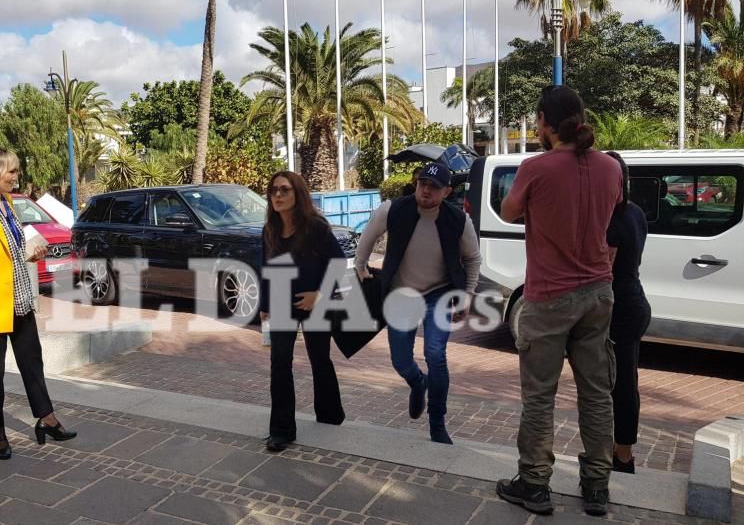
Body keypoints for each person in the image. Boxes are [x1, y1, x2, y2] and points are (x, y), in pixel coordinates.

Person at [495, 86, 623, 517]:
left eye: (536, 120)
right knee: (597, 394)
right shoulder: (610, 168)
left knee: (540, 397)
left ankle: (534, 484)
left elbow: (508, 212)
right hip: (599, 293)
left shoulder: (536, 168)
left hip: (549, 296)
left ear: (546, 123)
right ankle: (597, 487)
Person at [0, 145, 76, 460]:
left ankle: (46, 418)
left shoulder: (7, 203)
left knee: (32, 361)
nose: (16, 176)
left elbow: (7, 254)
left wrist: (31, 253)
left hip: (20, 295)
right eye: (11, 171)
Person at [354, 161, 482, 445]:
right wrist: (360, 265)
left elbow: (473, 259)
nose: (426, 190)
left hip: (439, 293)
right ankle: (417, 382)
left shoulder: (459, 220)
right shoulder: (392, 210)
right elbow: (368, 237)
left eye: (434, 187)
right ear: (416, 184)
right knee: (400, 361)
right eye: (423, 184)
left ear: (447, 191)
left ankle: (437, 423)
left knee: (435, 354)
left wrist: (468, 295)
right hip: (401, 294)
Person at [259, 171, 346, 452]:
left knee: (320, 359)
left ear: (298, 194)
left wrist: (318, 295)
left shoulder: (315, 228)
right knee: (280, 363)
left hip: (315, 303)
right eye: (273, 191)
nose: (278, 196)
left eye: (284, 190)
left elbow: (339, 263)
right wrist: (265, 304)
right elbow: (268, 269)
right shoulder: (270, 229)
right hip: (283, 304)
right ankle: (281, 431)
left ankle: (330, 415)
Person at [604, 151, 651, 474]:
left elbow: (602, 273)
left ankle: (622, 457)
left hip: (618, 310)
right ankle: (620, 451)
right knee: (625, 381)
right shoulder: (635, 212)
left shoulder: (611, 220)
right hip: (635, 300)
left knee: (618, 386)